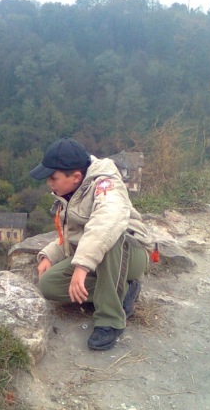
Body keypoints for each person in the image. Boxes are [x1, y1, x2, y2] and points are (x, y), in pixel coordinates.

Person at [30, 137, 153, 351]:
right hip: (98, 257)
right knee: (48, 284)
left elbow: (106, 222)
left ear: (76, 176)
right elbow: (75, 235)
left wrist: (82, 266)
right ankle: (124, 291)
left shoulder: (106, 185)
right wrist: (49, 254)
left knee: (111, 237)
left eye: (53, 178)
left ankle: (110, 319)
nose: (49, 183)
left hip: (130, 252)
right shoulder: (70, 192)